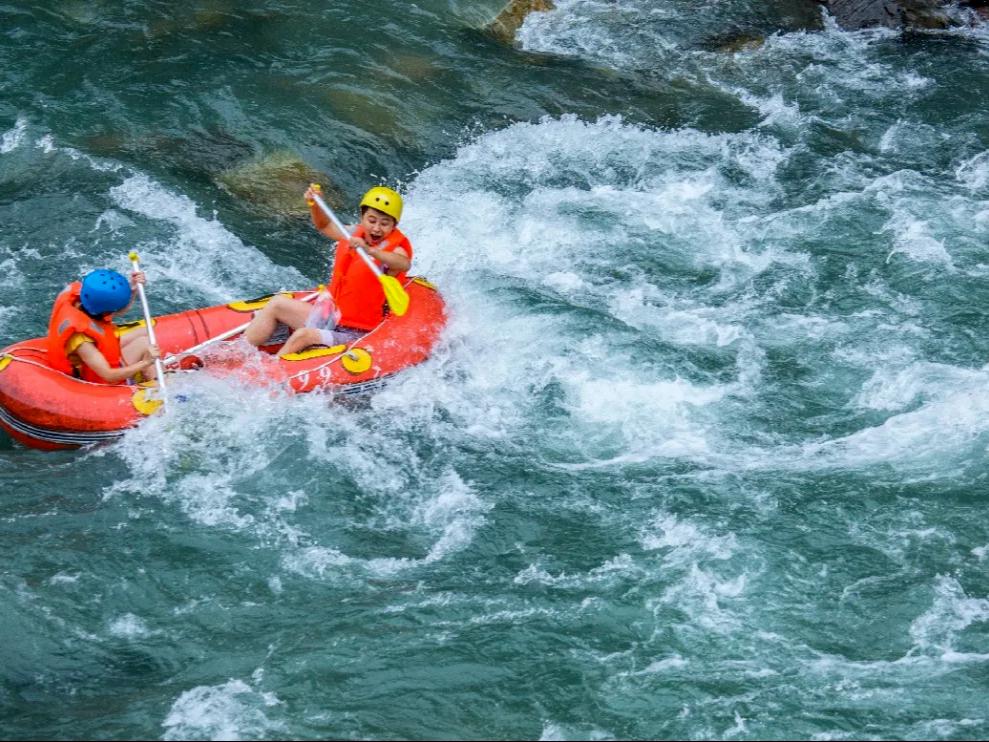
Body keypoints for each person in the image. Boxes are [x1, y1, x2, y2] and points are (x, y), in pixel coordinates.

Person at [243, 185, 413, 356]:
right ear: (362, 217)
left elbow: (403, 263)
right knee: (277, 304)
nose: (376, 228)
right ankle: (237, 352)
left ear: (394, 225)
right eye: (372, 220)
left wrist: (371, 251)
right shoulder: (353, 233)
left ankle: (268, 377)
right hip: (332, 316)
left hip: (356, 333)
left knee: (302, 335)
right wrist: (314, 205)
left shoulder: (395, 249)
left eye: (384, 223)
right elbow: (324, 226)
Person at [46, 268, 161, 384]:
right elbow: (108, 375)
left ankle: (154, 374)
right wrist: (145, 362)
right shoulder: (81, 340)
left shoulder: (82, 300)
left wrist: (132, 290)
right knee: (143, 343)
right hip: (97, 377)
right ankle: (159, 383)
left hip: (99, 352)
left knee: (145, 332)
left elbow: (115, 310)